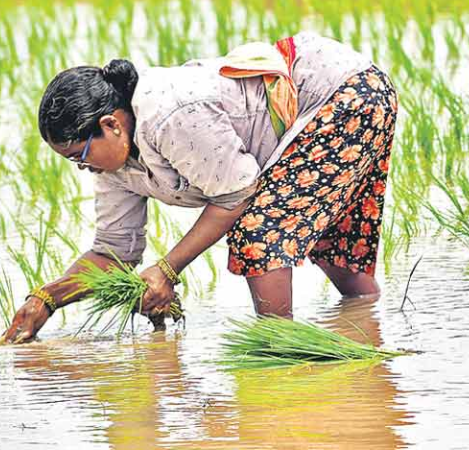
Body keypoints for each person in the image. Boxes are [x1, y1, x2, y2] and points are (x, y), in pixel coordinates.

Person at [3, 32, 397, 343]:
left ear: (110, 125)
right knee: (328, 240)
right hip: (332, 104)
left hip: (346, 94)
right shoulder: (115, 166)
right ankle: (366, 320)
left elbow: (235, 193)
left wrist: (166, 270)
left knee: (259, 231)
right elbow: (114, 250)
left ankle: (283, 351)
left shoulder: (168, 114)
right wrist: (48, 298)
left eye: (80, 155)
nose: (83, 168)